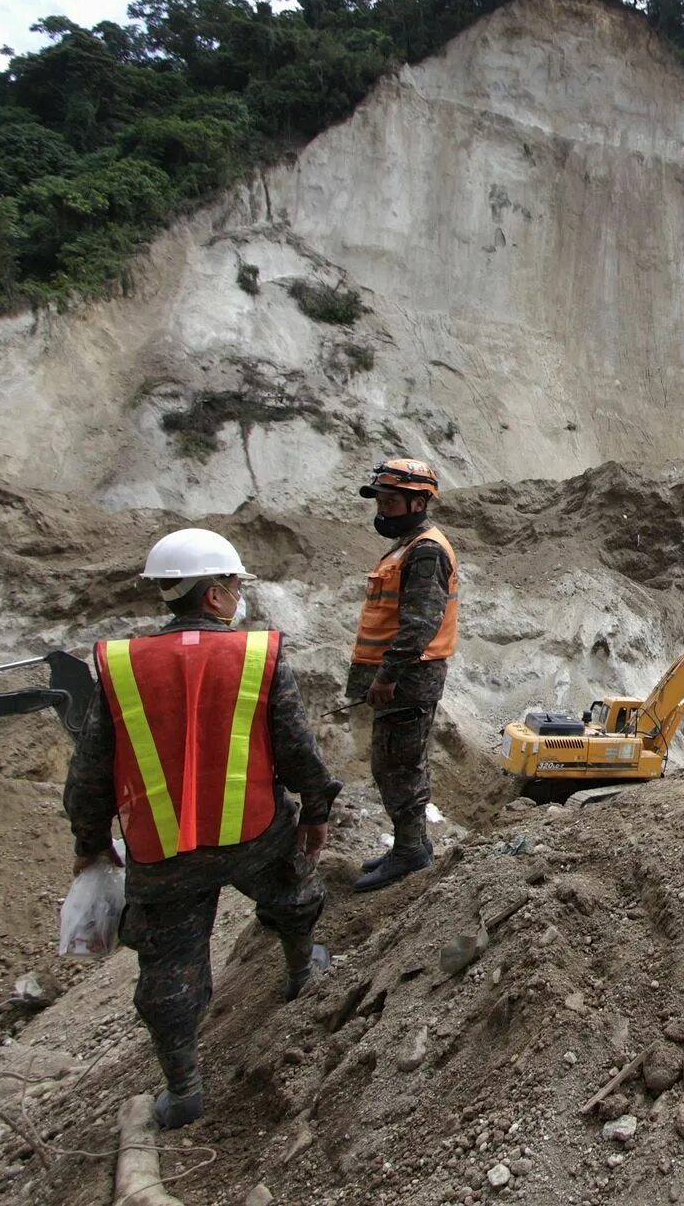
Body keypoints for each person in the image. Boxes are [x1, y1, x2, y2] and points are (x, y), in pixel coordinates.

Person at [64, 528, 339, 1130]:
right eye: (235, 584)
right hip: (254, 830)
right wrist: (316, 810)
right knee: (293, 895)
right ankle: (301, 971)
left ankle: (184, 1088)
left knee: (169, 968)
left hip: (162, 847)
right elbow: (296, 747)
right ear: (215, 594)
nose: (239, 593)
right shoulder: (256, 655)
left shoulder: (120, 666)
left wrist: (90, 843)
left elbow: (90, 772)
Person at [345, 458, 459, 892]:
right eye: (381, 501)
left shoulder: (426, 551)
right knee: (390, 763)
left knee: (400, 766)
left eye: (391, 502)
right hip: (401, 680)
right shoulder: (408, 546)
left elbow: (418, 625)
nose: (382, 510)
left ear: (418, 502)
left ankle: (411, 851)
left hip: (409, 681)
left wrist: (387, 676)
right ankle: (408, 846)